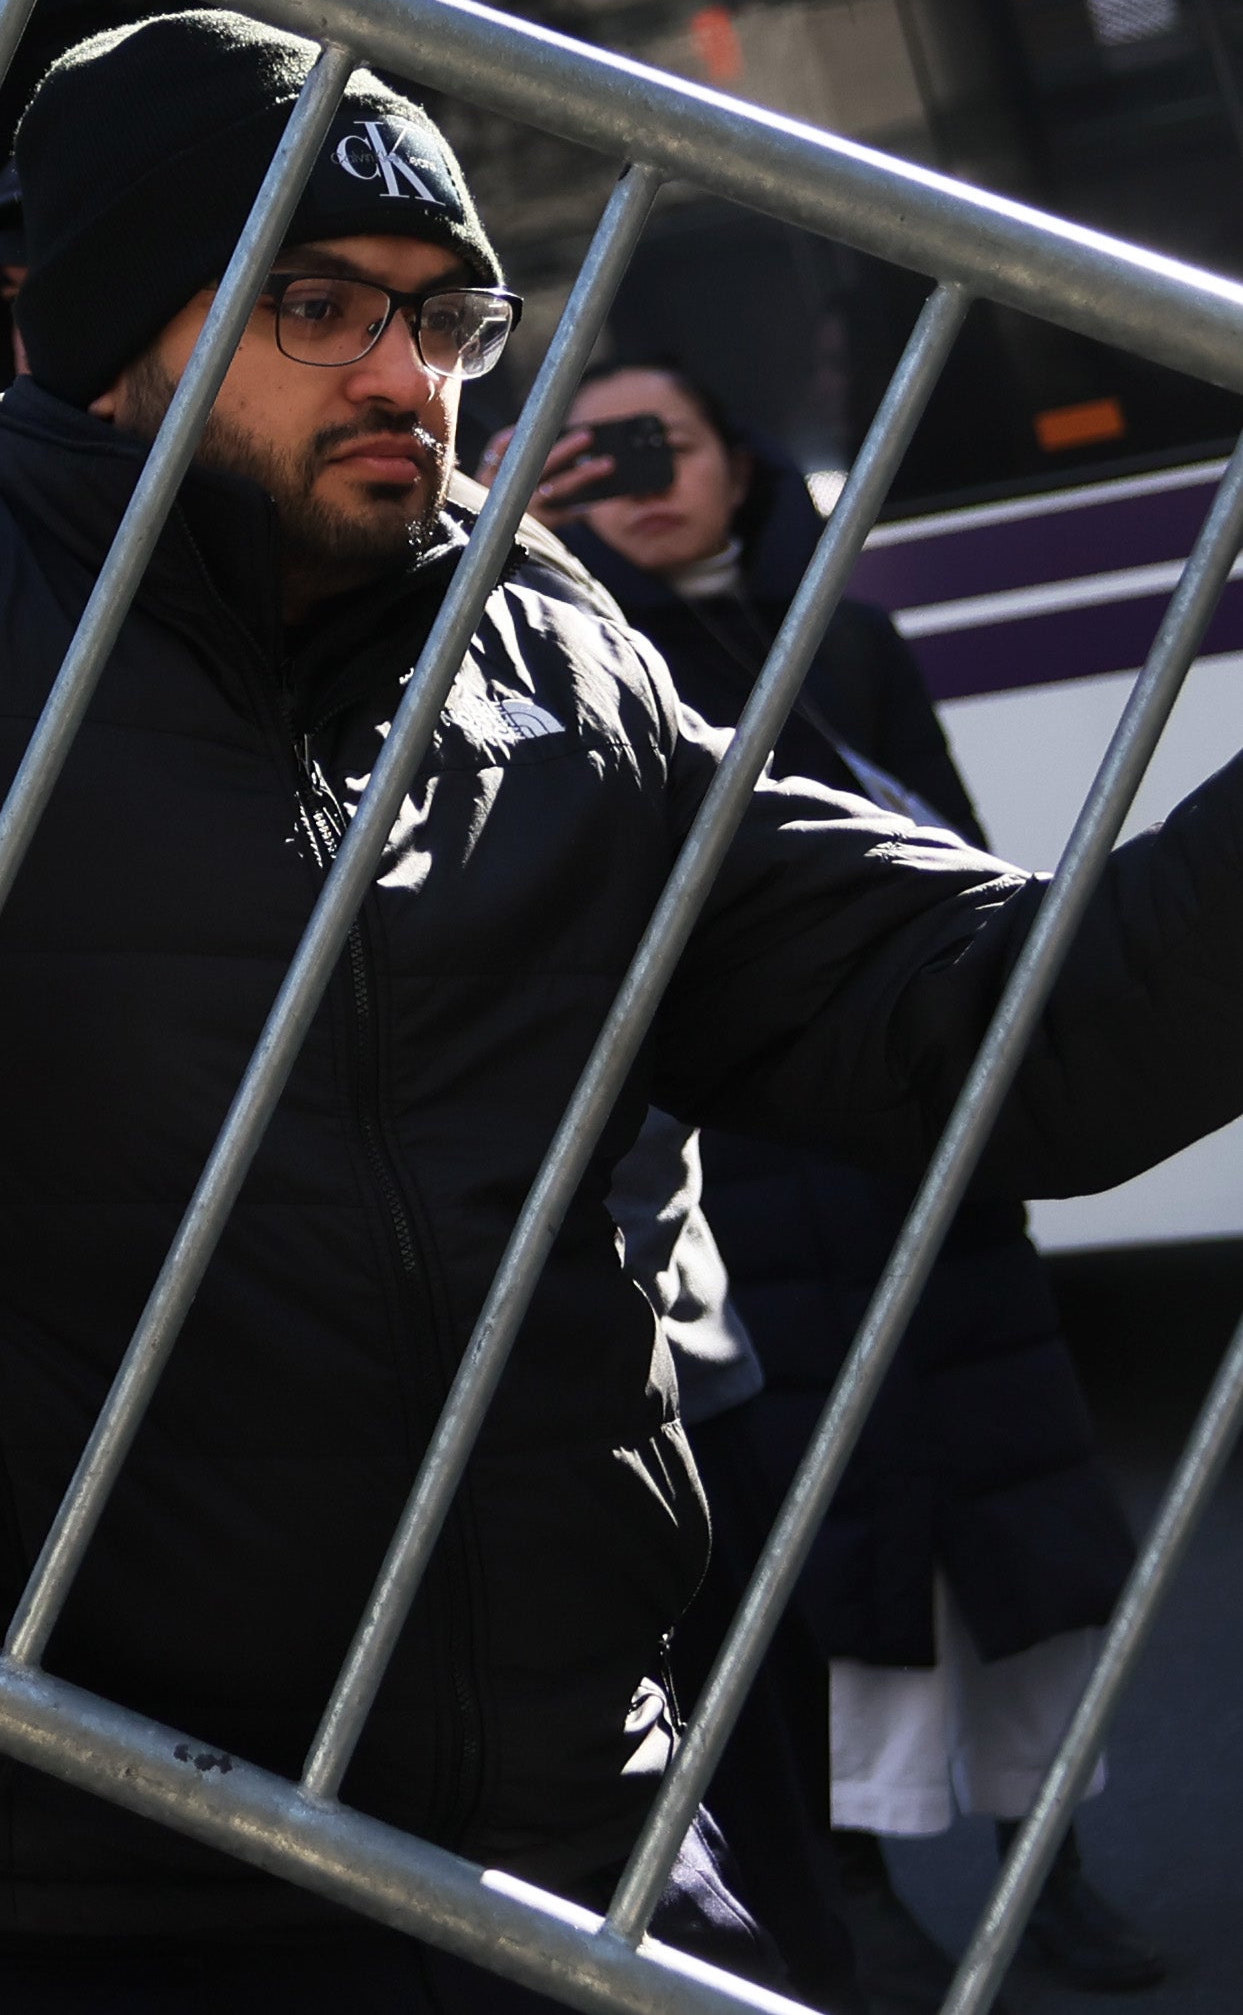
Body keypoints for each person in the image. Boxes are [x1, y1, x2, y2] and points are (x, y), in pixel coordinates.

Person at [0, 9, 1243, 2005]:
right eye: (317, 302)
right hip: (55, 1877)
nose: (408, 372)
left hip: (574, 1851)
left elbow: (1013, 1030)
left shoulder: (551, 653)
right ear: (111, 333)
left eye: (447, 316)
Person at [522, 360, 1171, 2005]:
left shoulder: (852, 642)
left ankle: (1056, 1873)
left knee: (1017, 1531)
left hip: (924, 1160)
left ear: (742, 455)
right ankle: (864, 1895)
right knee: (816, 1558)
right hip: (741, 1177)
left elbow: (957, 871)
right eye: (596, 445)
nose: (643, 474)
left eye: (670, 433)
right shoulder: (569, 662)